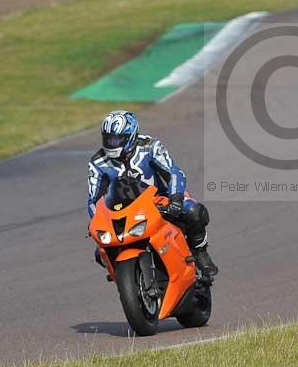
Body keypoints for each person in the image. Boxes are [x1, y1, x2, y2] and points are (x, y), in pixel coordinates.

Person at [87, 110, 218, 277]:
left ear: (130, 136)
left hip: (158, 200)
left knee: (194, 212)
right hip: (122, 211)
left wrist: (176, 198)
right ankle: (122, 276)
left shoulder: (150, 146)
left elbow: (173, 172)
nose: (111, 144)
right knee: (100, 252)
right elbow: (93, 199)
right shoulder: (97, 162)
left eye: (116, 139)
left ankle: (200, 252)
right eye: (108, 138)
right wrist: (97, 220)